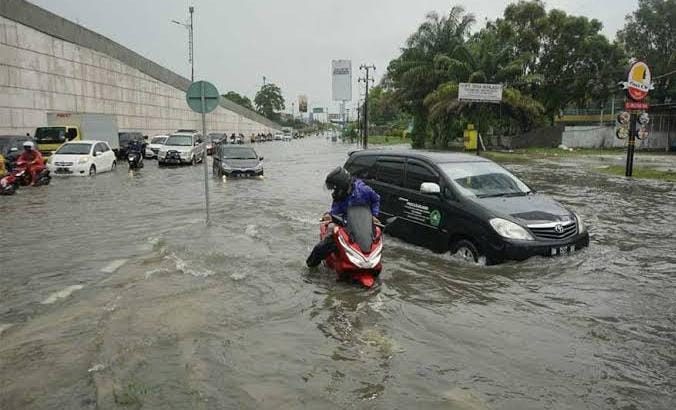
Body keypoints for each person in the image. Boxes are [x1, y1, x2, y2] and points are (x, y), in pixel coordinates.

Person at [306, 166, 381, 267]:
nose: (333, 190)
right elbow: (335, 210)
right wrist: (330, 215)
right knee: (322, 247)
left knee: (377, 243)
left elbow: (376, 199)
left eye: (334, 187)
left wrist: (374, 215)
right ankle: (310, 266)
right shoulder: (339, 195)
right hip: (345, 224)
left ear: (341, 185)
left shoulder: (364, 190)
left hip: (364, 224)